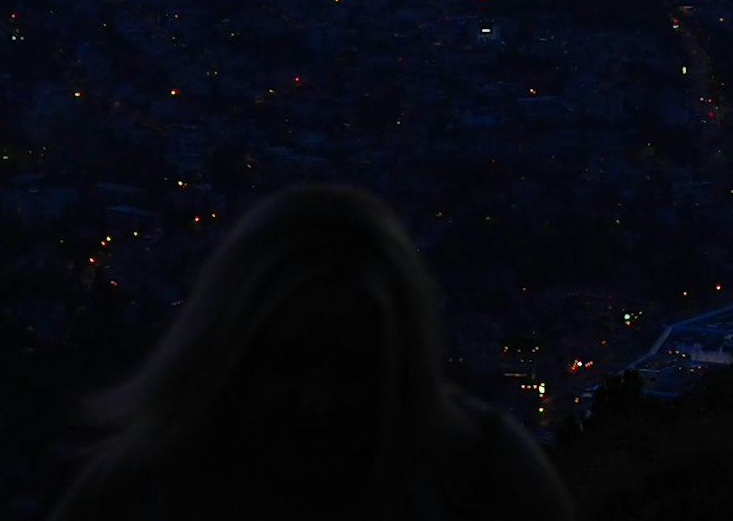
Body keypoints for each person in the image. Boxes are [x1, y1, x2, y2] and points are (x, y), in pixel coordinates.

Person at [54, 182, 569, 521]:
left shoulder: (484, 479)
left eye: (354, 369)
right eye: (286, 361)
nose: (318, 400)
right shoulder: (135, 496)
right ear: (225, 350)